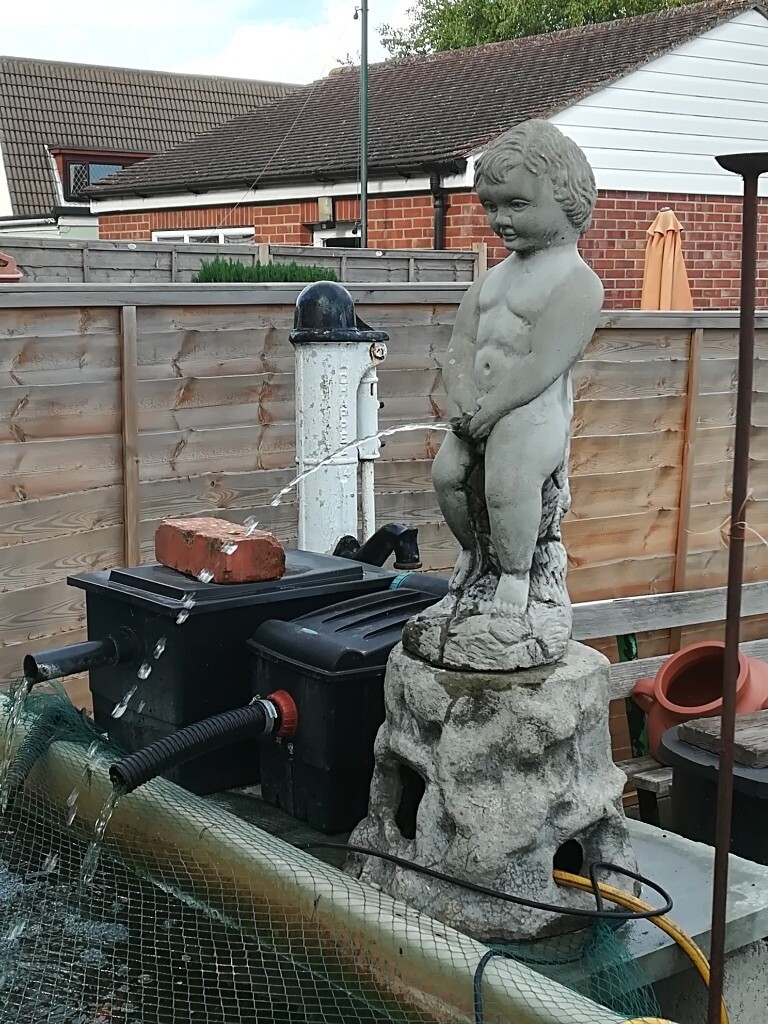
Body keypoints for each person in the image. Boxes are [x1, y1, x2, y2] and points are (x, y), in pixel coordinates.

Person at [433, 119, 603, 617]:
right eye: (491, 206)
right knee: (447, 477)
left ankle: (515, 574)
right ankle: (474, 552)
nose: (500, 219)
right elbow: (461, 342)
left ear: (566, 200)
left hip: (530, 410)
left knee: (507, 483)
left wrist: (494, 410)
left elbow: (544, 362)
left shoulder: (577, 281)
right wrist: (460, 395)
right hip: (478, 410)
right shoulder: (491, 279)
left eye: (517, 205)